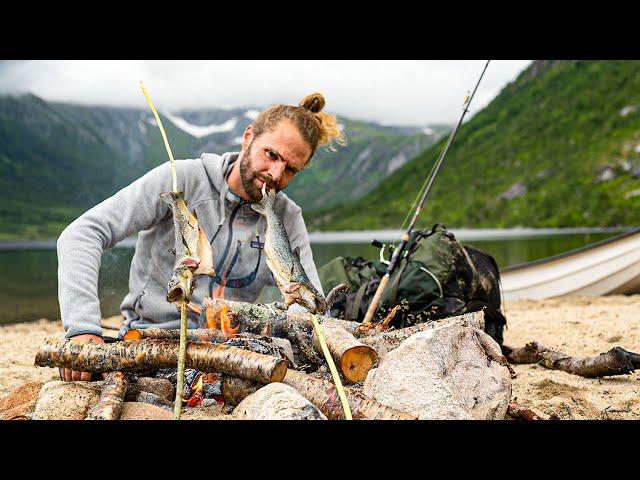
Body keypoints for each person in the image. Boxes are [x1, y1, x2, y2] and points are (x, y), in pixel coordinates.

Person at [56, 92, 346, 381]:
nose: (275, 173)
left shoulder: (287, 217)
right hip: (147, 345)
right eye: (271, 155)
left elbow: (309, 304)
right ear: (248, 137)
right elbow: (82, 234)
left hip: (230, 357)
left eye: (290, 169)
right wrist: (83, 328)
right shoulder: (181, 179)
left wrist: (300, 313)